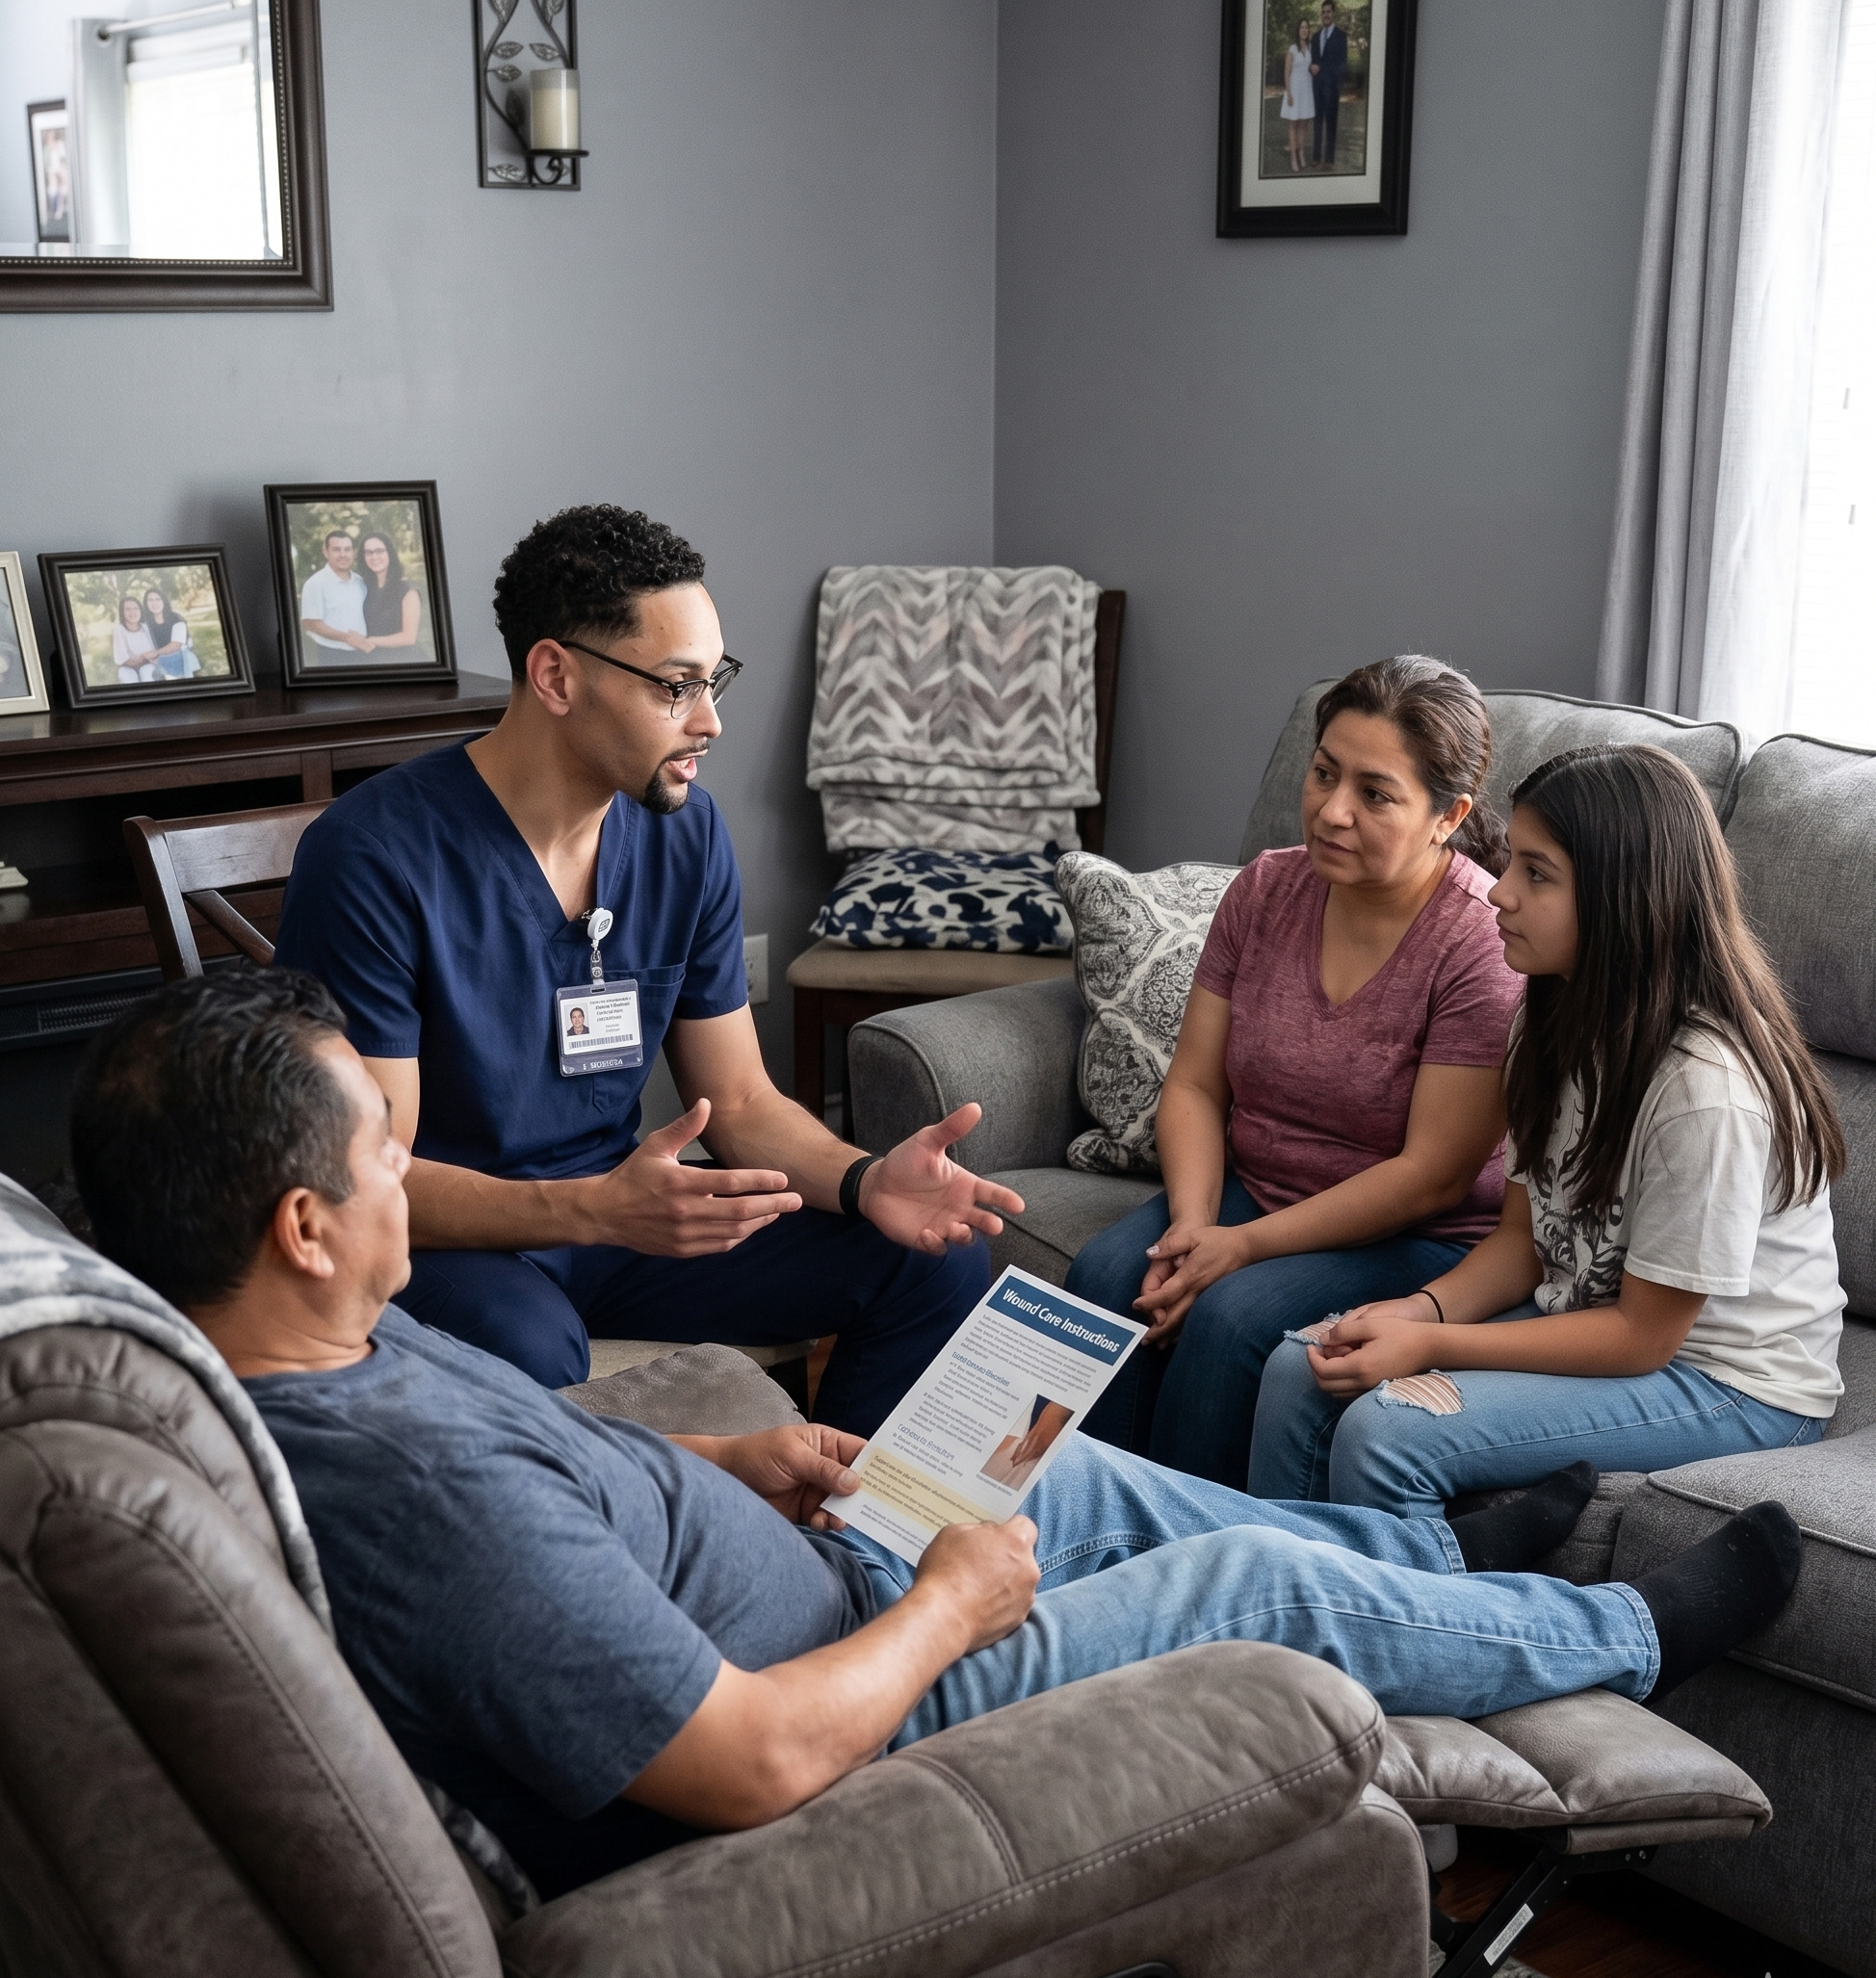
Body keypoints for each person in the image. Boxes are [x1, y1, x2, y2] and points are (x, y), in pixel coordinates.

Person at [66, 967, 1804, 1903]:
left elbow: (566, 1473)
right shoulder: (406, 1489)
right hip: (867, 1695)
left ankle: (1437, 1556)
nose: (409, 1169)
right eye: (381, 1150)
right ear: (299, 1221)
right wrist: (949, 1607)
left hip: (824, 1575)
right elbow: (743, 1763)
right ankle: (1630, 1629)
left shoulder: (334, 1346)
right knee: (1258, 1574)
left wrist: (733, 1463)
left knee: (1088, 1459)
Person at [273, 505, 1019, 1434]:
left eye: (716, 681)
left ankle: (851, 1542)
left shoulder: (684, 832)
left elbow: (740, 1103)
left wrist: (866, 1180)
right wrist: (595, 1211)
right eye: (676, 686)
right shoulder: (375, 856)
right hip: (453, 1238)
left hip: (621, 1215)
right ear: (555, 676)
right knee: (530, 1347)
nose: (709, 721)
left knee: (928, 1257)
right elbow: (368, 1175)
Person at [1249, 745, 1846, 1516]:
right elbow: (1524, 1240)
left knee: (1389, 1432)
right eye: (1511, 866)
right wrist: (1418, 1312)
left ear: (1622, 899)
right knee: (1301, 1365)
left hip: (1731, 1385)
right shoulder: (1548, 1014)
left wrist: (1432, 1346)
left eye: (1537, 874)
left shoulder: (1706, 1091)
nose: (1499, 893)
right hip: (1589, 1317)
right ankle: (1280, 1603)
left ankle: (1393, 1629)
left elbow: (1642, 1337)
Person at [1068, 657, 1524, 1486]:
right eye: (1323, 774)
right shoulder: (1266, 888)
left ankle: (1176, 1571)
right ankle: (1051, 1537)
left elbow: (1430, 1177)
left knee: (1232, 1319)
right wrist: (1191, 1232)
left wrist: (1237, 1251)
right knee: (1104, 1277)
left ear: (1447, 815)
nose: (1332, 811)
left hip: (1415, 1234)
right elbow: (1199, 1085)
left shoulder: (1480, 943)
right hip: (1255, 1190)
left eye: (1375, 793)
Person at [300, 530, 370, 657]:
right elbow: (310, 623)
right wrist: (347, 638)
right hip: (333, 654)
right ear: (326, 552)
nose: (343, 554)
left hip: (363, 653)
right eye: (337, 549)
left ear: (353, 552)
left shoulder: (360, 582)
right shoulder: (315, 583)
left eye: (347, 549)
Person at [358, 532, 423, 651]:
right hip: (372, 660)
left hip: (404, 660)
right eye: (368, 552)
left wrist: (370, 640)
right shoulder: (364, 588)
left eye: (379, 551)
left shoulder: (408, 591)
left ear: (390, 553)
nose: (374, 557)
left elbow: (409, 637)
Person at [1310, 1, 1349, 169]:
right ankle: (1316, 157)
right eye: (1323, 12)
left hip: (1332, 87)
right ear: (1321, 14)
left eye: (1328, 12)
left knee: (1331, 123)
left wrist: (1333, 81)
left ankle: (1329, 160)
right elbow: (1312, 61)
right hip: (1317, 87)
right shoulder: (1316, 36)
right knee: (1317, 122)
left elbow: (1342, 64)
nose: (1326, 15)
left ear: (1333, 14)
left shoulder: (1341, 36)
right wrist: (1310, 67)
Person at [142, 586, 201, 680]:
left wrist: (155, 654)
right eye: (150, 600)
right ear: (146, 603)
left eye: (158, 599)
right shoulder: (145, 622)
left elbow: (176, 645)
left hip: (178, 656)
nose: (154, 603)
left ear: (164, 601)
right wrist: (150, 658)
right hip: (156, 660)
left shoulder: (176, 618)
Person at [1281, 18, 1316, 172]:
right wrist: (1289, 93)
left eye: (1306, 27)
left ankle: (1302, 154)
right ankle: (1293, 157)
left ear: (1308, 30)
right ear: (1298, 30)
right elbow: (1287, 72)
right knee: (1293, 124)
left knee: (1304, 124)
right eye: (1302, 27)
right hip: (1294, 89)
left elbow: (1311, 68)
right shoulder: (1292, 49)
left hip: (1306, 89)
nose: (1304, 30)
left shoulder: (1310, 47)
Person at [110, 594, 156, 683]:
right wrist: (145, 657)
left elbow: (154, 654)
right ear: (122, 612)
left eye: (135, 608)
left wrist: (146, 659)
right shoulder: (119, 629)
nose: (132, 612)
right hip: (127, 668)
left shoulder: (145, 627)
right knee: (129, 680)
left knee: (147, 677)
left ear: (140, 611)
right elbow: (123, 660)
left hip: (147, 666)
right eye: (128, 609)